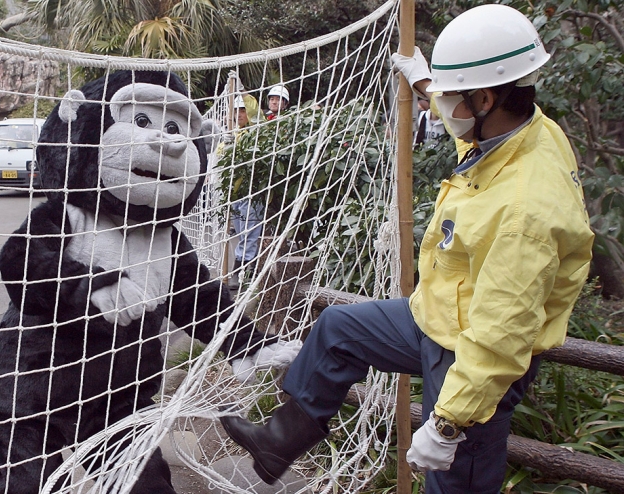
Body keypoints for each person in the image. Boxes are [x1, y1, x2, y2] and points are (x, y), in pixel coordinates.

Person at [219, 5, 595, 493]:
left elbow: (501, 336)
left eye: (451, 98)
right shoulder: (520, 130)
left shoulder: (525, 209)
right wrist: (426, 84)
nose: (444, 108)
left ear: (484, 99)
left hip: (471, 354)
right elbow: (470, 128)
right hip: (436, 315)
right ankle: (280, 441)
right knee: (338, 328)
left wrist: (446, 424)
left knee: (453, 478)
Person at [228, 95, 263, 288]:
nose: (239, 114)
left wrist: (243, 93)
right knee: (241, 233)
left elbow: (254, 112)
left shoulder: (257, 131)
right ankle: (243, 267)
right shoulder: (235, 133)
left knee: (250, 233)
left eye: (243, 110)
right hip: (235, 192)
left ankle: (242, 270)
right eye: (236, 111)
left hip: (253, 190)